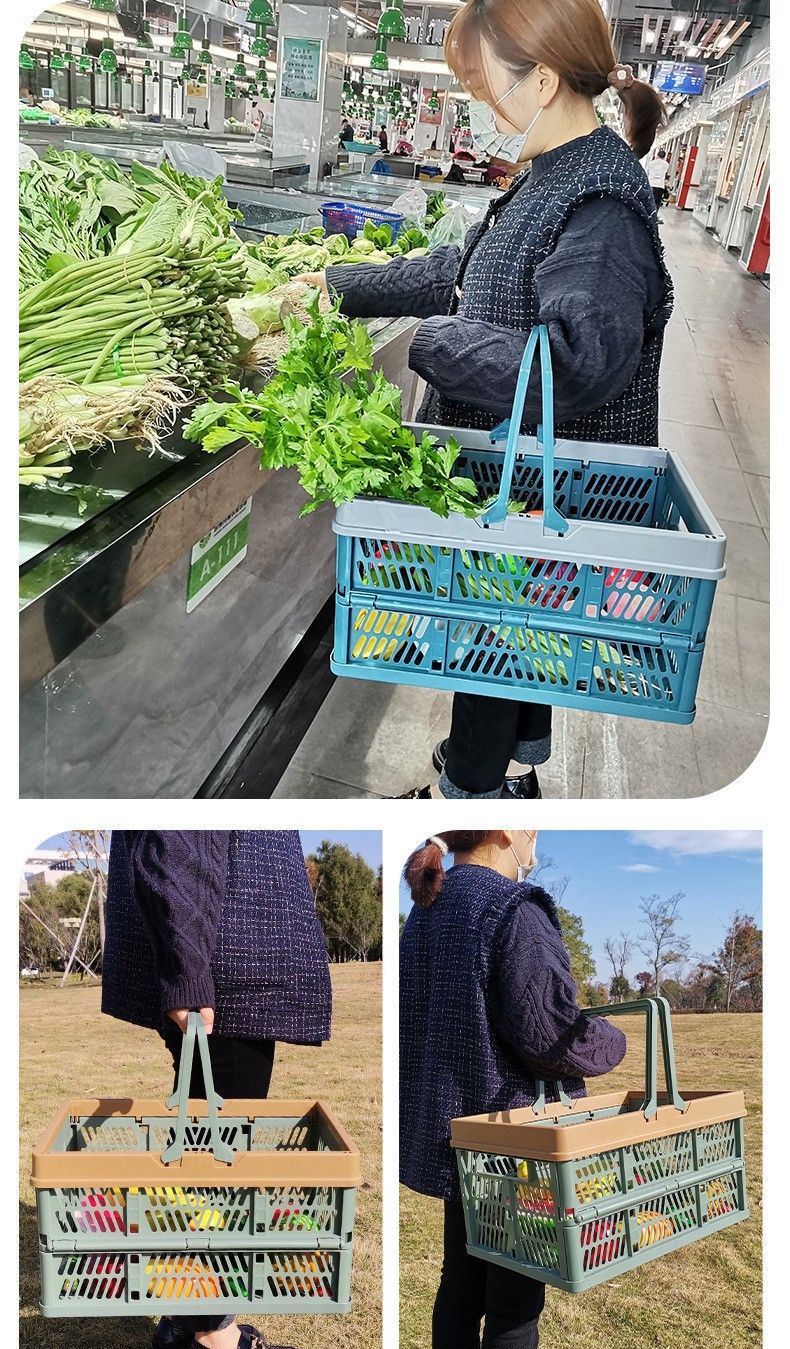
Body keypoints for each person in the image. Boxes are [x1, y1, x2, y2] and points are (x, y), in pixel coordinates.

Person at [296, 0, 672, 801]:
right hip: (525, 477)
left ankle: (469, 792)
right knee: (509, 634)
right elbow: (460, 274)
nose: (475, 105)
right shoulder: (554, 174)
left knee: (491, 634)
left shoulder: (599, 203)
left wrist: (433, 345)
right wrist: (334, 288)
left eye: (480, 84)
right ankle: (513, 761)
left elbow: (576, 366)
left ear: (541, 80)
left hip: (546, 491)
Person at [400, 829, 627, 1349]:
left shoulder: (425, 909)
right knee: (514, 1294)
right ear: (504, 833)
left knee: (461, 1278)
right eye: (530, 830)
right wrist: (613, 1041)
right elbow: (549, 1032)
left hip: (457, 1135)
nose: (535, 839)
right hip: (512, 1136)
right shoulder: (513, 908)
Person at [101, 830, 332, 1349]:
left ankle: (188, 1315)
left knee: (209, 1152)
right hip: (222, 966)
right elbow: (177, 833)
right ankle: (213, 1335)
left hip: (223, 957)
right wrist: (188, 972)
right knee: (221, 1164)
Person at [646, 147, 670, 222]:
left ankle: (647, 214)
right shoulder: (666, 164)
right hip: (660, 185)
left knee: (649, 200)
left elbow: (647, 172)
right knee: (657, 202)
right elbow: (665, 173)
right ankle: (654, 216)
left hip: (651, 183)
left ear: (657, 155)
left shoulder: (651, 163)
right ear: (664, 156)